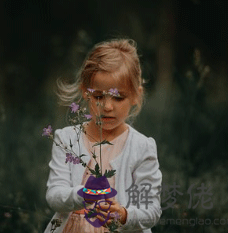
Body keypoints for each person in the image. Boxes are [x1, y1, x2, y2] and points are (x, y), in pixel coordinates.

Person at [44, 38, 162, 233]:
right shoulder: (66, 139)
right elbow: (54, 196)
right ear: (85, 92)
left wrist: (124, 215)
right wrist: (83, 194)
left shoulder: (141, 147)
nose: (107, 106)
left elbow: (152, 211)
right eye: (98, 96)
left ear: (136, 96)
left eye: (118, 97)